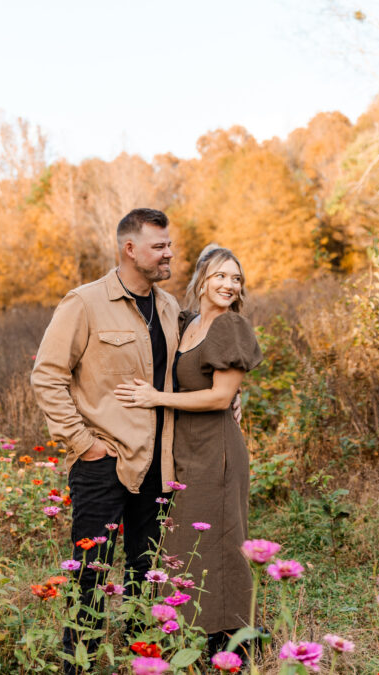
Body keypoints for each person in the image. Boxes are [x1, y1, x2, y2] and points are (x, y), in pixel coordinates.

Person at [31, 208, 179, 673]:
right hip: (102, 463)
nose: (169, 253)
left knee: (146, 574)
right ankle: (79, 666)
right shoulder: (85, 303)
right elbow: (47, 376)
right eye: (159, 246)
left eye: (169, 245)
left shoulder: (170, 307)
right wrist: (83, 443)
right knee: (90, 577)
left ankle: (142, 662)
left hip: (158, 462)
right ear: (130, 249)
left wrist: (229, 397)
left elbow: (187, 371)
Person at [114, 244, 263, 656]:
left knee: (222, 537)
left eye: (236, 278)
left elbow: (219, 397)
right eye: (221, 276)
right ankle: (197, 625)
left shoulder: (230, 327)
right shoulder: (187, 322)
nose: (229, 285)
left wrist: (155, 398)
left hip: (217, 448)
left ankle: (235, 635)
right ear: (202, 279)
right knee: (186, 541)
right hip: (184, 447)